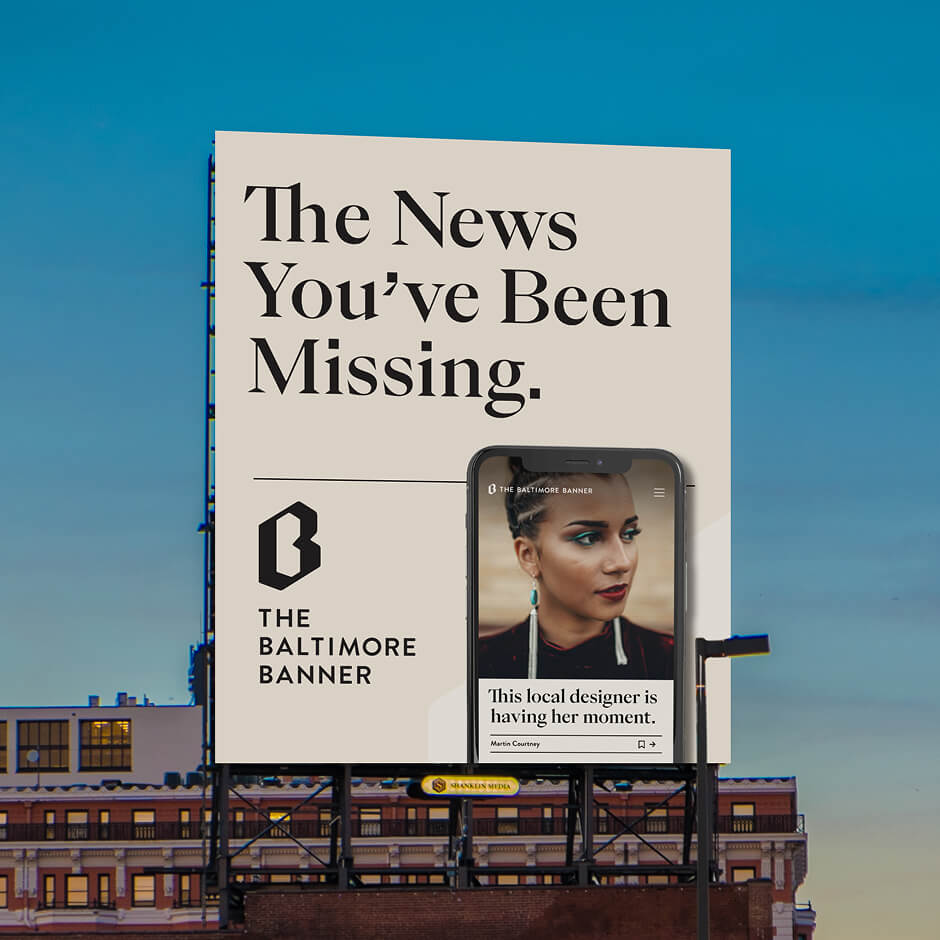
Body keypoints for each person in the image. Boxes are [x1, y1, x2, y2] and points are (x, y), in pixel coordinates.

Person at [478, 458, 673, 680]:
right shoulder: (479, 663)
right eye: (589, 538)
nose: (622, 562)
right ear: (529, 555)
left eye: (629, 534)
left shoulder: (669, 658)